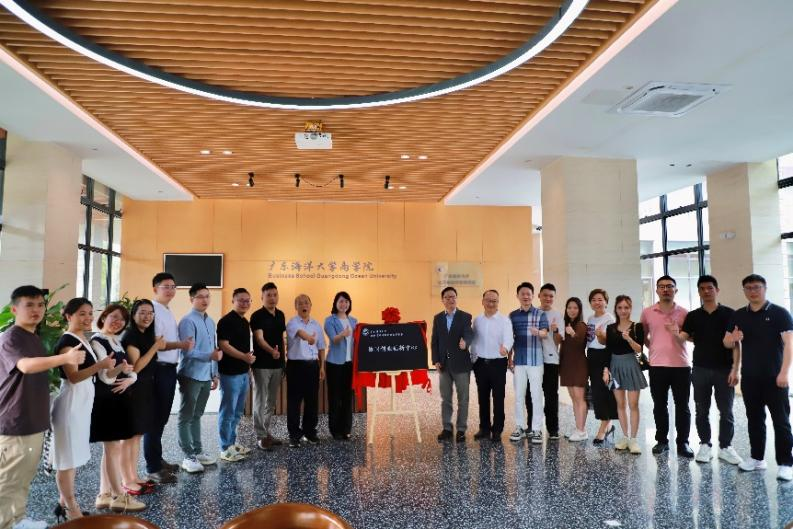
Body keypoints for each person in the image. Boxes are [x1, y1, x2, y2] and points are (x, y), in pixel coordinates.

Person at [0, 286, 85, 529]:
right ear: (14, 309)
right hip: (16, 421)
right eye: (29, 305)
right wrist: (65, 359)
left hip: (31, 420)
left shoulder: (32, 336)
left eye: (40, 305)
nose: (36, 310)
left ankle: (17, 519)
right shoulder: (11, 337)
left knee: (22, 477)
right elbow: (25, 366)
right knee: (9, 480)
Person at [724, 274, 793, 481]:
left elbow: (789, 344)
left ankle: (786, 463)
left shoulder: (779, 313)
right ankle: (757, 458)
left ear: (765, 288)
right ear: (744, 291)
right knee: (754, 419)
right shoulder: (739, 315)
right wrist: (733, 339)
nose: (753, 291)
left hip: (775, 377)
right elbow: (727, 342)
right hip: (750, 377)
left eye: (757, 287)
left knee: (781, 421)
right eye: (748, 288)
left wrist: (784, 372)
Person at [51, 298, 114, 521]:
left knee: (73, 456)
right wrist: (101, 365)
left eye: (90, 313)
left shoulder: (81, 338)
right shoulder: (68, 342)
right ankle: (71, 508)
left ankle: (63, 504)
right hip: (71, 404)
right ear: (69, 316)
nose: (88, 318)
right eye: (82, 314)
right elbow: (74, 377)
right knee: (66, 460)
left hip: (81, 403)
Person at [676, 275, 741, 465]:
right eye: (702, 288)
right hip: (700, 369)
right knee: (701, 410)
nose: (706, 291)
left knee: (726, 411)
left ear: (717, 290)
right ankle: (705, 444)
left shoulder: (730, 314)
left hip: (724, 369)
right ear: (698, 292)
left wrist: (736, 369)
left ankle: (726, 447)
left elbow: (736, 344)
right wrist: (674, 332)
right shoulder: (693, 316)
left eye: (710, 288)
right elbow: (684, 337)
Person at [90, 304, 144, 513]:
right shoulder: (97, 341)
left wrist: (131, 378)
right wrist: (123, 370)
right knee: (112, 449)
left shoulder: (115, 341)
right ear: (104, 317)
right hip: (106, 399)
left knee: (111, 450)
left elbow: (130, 371)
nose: (118, 322)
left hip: (118, 399)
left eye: (122, 319)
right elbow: (105, 376)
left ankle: (103, 493)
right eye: (114, 317)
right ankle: (118, 496)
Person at [147, 272, 193, 483]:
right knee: (155, 419)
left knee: (162, 418)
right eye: (166, 286)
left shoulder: (166, 309)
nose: (171, 290)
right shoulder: (153, 310)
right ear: (155, 288)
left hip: (169, 369)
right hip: (158, 369)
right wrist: (182, 345)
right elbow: (158, 343)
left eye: (173, 286)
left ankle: (157, 459)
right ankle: (153, 467)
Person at [640, 275, 692, 457]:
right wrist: (654, 348)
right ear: (656, 290)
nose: (665, 289)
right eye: (661, 286)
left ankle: (683, 443)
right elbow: (643, 337)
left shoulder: (684, 313)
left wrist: (678, 333)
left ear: (675, 290)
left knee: (682, 406)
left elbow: (691, 337)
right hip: (657, 366)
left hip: (681, 366)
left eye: (669, 286)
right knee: (659, 405)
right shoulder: (647, 313)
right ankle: (662, 441)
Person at [121, 300, 166, 494]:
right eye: (142, 312)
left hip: (146, 388)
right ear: (133, 315)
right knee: (129, 436)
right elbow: (136, 367)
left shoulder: (145, 334)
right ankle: (126, 479)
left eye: (150, 313)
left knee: (137, 435)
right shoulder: (131, 335)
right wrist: (155, 347)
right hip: (134, 389)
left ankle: (133, 476)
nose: (147, 316)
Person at [177, 283, 222, 473]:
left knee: (197, 415)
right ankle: (188, 456)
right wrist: (210, 356)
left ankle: (197, 450)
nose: (205, 300)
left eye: (207, 296)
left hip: (205, 375)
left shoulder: (210, 321)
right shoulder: (187, 321)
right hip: (191, 374)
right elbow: (188, 352)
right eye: (200, 296)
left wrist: (214, 373)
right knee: (186, 416)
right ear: (191, 299)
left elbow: (213, 349)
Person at [601, 295, 646, 455]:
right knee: (620, 404)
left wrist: (628, 339)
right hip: (615, 367)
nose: (623, 311)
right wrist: (606, 370)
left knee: (633, 404)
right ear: (616, 309)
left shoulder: (637, 326)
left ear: (630, 308)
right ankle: (625, 437)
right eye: (620, 307)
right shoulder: (611, 328)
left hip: (631, 365)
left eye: (626, 307)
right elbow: (608, 350)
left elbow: (640, 349)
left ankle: (633, 439)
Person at [431, 286, 474, 442]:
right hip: (444, 365)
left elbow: (469, 333)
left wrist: (466, 342)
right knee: (446, 399)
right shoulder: (438, 318)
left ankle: (461, 430)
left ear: (456, 298)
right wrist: (436, 360)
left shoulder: (465, 316)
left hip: (461, 364)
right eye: (447, 297)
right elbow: (435, 341)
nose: (451, 299)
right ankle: (447, 429)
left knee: (463, 399)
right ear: (442, 300)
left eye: (453, 297)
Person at [216, 288, 255, 462]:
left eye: (248, 300)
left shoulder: (245, 321)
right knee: (228, 412)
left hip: (243, 373)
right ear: (233, 301)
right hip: (229, 374)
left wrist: (248, 367)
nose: (245, 303)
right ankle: (225, 448)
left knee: (237, 412)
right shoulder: (226, 321)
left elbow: (245, 348)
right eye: (241, 300)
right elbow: (224, 345)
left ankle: (232, 443)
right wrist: (244, 357)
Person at [470, 290, 513, 442]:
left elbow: (509, 338)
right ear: (482, 301)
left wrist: (505, 348)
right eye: (488, 300)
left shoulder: (504, 320)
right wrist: (472, 358)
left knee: (498, 397)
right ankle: (484, 428)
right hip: (480, 363)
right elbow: (474, 340)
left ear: (498, 302)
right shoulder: (477, 320)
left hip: (498, 363)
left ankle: (497, 430)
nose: (491, 303)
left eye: (494, 301)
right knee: (482, 396)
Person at [508, 282, 549, 444]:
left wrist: (538, 332)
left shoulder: (540, 314)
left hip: (536, 361)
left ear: (533, 296)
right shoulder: (512, 315)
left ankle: (537, 429)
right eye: (522, 294)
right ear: (517, 296)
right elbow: (510, 338)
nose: (525, 296)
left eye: (528, 294)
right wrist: (509, 357)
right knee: (519, 395)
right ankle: (520, 426)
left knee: (536, 395)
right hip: (519, 361)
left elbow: (545, 333)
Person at [285, 294, 327, 448]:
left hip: (312, 366)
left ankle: (310, 432)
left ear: (310, 305)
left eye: (306, 303)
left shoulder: (317, 324)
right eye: (300, 303)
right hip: (295, 366)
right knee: (294, 402)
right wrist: (309, 338)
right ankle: (294, 435)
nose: (304, 306)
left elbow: (321, 347)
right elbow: (300, 334)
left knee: (312, 401)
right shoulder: (292, 322)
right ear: (296, 307)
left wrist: (321, 367)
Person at [249, 282, 286, 450]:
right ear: (262, 297)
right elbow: (259, 339)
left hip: (277, 365)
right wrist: (272, 351)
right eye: (268, 295)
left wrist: (283, 361)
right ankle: (260, 436)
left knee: (270, 401)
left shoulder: (280, 315)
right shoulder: (257, 316)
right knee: (260, 399)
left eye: (275, 295)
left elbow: (281, 339)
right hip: (262, 365)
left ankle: (266, 431)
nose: (272, 298)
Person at [324, 291, 358, 440]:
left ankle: (346, 429)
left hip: (350, 364)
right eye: (341, 301)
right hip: (334, 364)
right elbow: (333, 339)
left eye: (346, 301)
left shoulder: (354, 321)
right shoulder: (329, 320)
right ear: (336, 303)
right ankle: (335, 430)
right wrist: (343, 334)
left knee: (347, 397)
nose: (344, 304)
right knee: (335, 397)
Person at [531, 283, 563, 440]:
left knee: (551, 396)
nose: (548, 298)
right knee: (533, 395)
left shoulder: (558, 315)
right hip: (533, 360)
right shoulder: (533, 313)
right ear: (539, 296)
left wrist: (555, 330)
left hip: (551, 361)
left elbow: (558, 341)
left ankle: (553, 429)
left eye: (551, 296)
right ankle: (533, 427)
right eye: (545, 295)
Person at [586, 288, 617, 444]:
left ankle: (603, 428)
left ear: (606, 302)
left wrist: (601, 336)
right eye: (593, 300)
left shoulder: (609, 319)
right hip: (592, 356)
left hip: (605, 356)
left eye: (600, 299)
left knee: (605, 392)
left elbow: (609, 342)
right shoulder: (590, 318)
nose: (597, 302)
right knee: (597, 392)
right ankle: (608, 424)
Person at [559, 297, 589, 441]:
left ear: (579, 310)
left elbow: (580, 343)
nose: (572, 310)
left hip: (578, 365)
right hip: (567, 365)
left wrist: (571, 333)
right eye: (569, 307)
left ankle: (581, 431)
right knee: (574, 398)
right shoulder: (565, 324)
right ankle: (578, 428)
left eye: (575, 308)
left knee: (579, 398)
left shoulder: (581, 325)